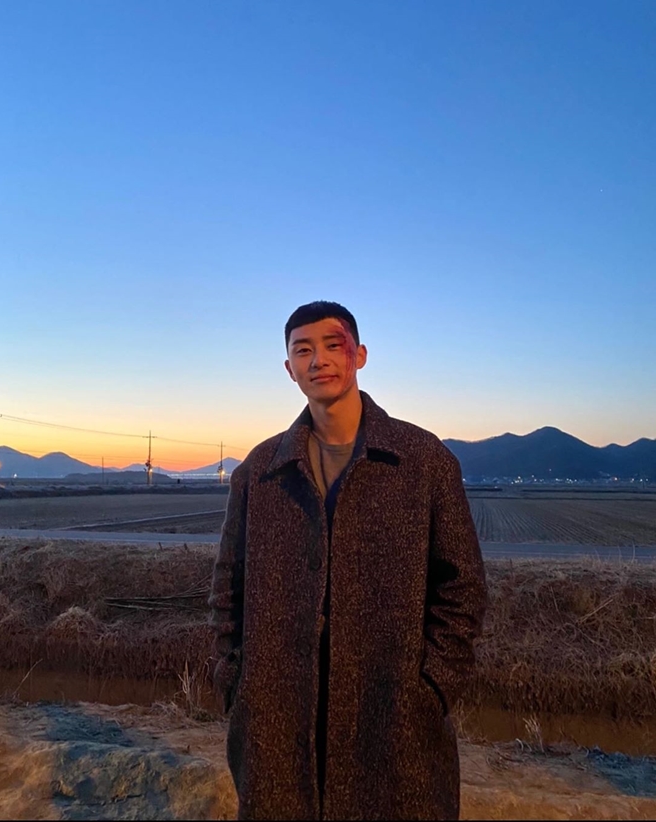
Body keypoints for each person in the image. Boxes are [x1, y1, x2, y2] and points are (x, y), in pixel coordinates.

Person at [209, 300, 487, 821]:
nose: (318, 360)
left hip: (393, 719)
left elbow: (463, 586)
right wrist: (238, 682)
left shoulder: (423, 460)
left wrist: (431, 688)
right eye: (303, 351)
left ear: (359, 355)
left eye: (332, 345)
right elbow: (228, 585)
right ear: (289, 369)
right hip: (277, 722)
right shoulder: (259, 471)